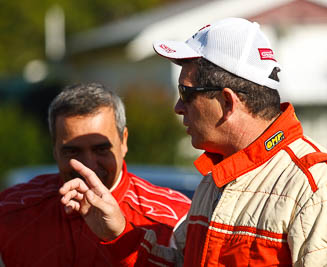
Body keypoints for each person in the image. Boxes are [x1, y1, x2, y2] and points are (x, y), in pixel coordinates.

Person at [59, 18, 327, 266]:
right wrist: (118, 233)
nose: (178, 107)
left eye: (186, 93)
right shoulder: (216, 178)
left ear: (227, 102)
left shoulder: (318, 187)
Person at [0, 83, 191, 266]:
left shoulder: (175, 221)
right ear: (54, 148)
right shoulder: (12, 211)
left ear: (123, 141)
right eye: (72, 151)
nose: (89, 165)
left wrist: (122, 237)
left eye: (101, 149)